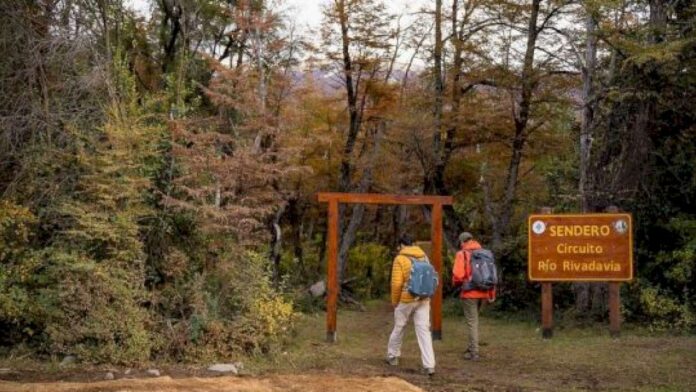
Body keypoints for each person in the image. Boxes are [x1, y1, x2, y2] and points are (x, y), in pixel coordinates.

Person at [386, 233, 436, 376]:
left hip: (407, 298)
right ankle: (429, 365)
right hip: (424, 298)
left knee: (399, 326)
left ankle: (392, 356)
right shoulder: (424, 256)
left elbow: (396, 283)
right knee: (424, 331)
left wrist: (395, 301)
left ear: (401, 245)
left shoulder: (400, 258)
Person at [452, 232, 496, 361]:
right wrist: (491, 294)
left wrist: (456, 283)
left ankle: (474, 352)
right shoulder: (485, 254)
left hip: (470, 293)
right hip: (484, 292)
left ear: (462, 242)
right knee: (475, 321)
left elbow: (458, 275)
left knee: (472, 322)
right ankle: (471, 348)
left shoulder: (462, 254)